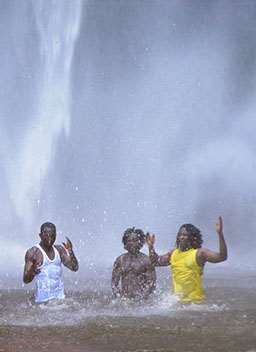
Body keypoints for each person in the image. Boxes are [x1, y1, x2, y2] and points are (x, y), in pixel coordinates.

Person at [146, 216, 227, 304]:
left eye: (184, 235)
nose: (181, 237)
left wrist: (220, 234)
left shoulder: (199, 253)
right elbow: (155, 262)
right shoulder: (173, 253)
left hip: (195, 303)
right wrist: (150, 246)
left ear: (192, 237)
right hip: (177, 302)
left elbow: (222, 257)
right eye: (180, 235)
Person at [23, 222, 79, 303]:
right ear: (40, 236)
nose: (50, 239)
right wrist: (32, 271)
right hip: (42, 303)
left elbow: (74, 268)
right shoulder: (33, 253)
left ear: (56, 236)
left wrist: (70, 251)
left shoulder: (59, 250)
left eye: (52, 236)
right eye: (47, 235)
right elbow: (25, 280)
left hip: (60, 300)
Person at [111, 227, 156, 300]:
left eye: (135, 240)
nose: (132, 243)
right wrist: (119, 298)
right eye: (129, 240)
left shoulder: (146, 261)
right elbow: (114, 284)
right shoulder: (120, 260)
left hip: (142, 301)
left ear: (140, 242)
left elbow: (151, 284)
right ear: (125, 243)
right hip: (125, 301)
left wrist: (142, 298)